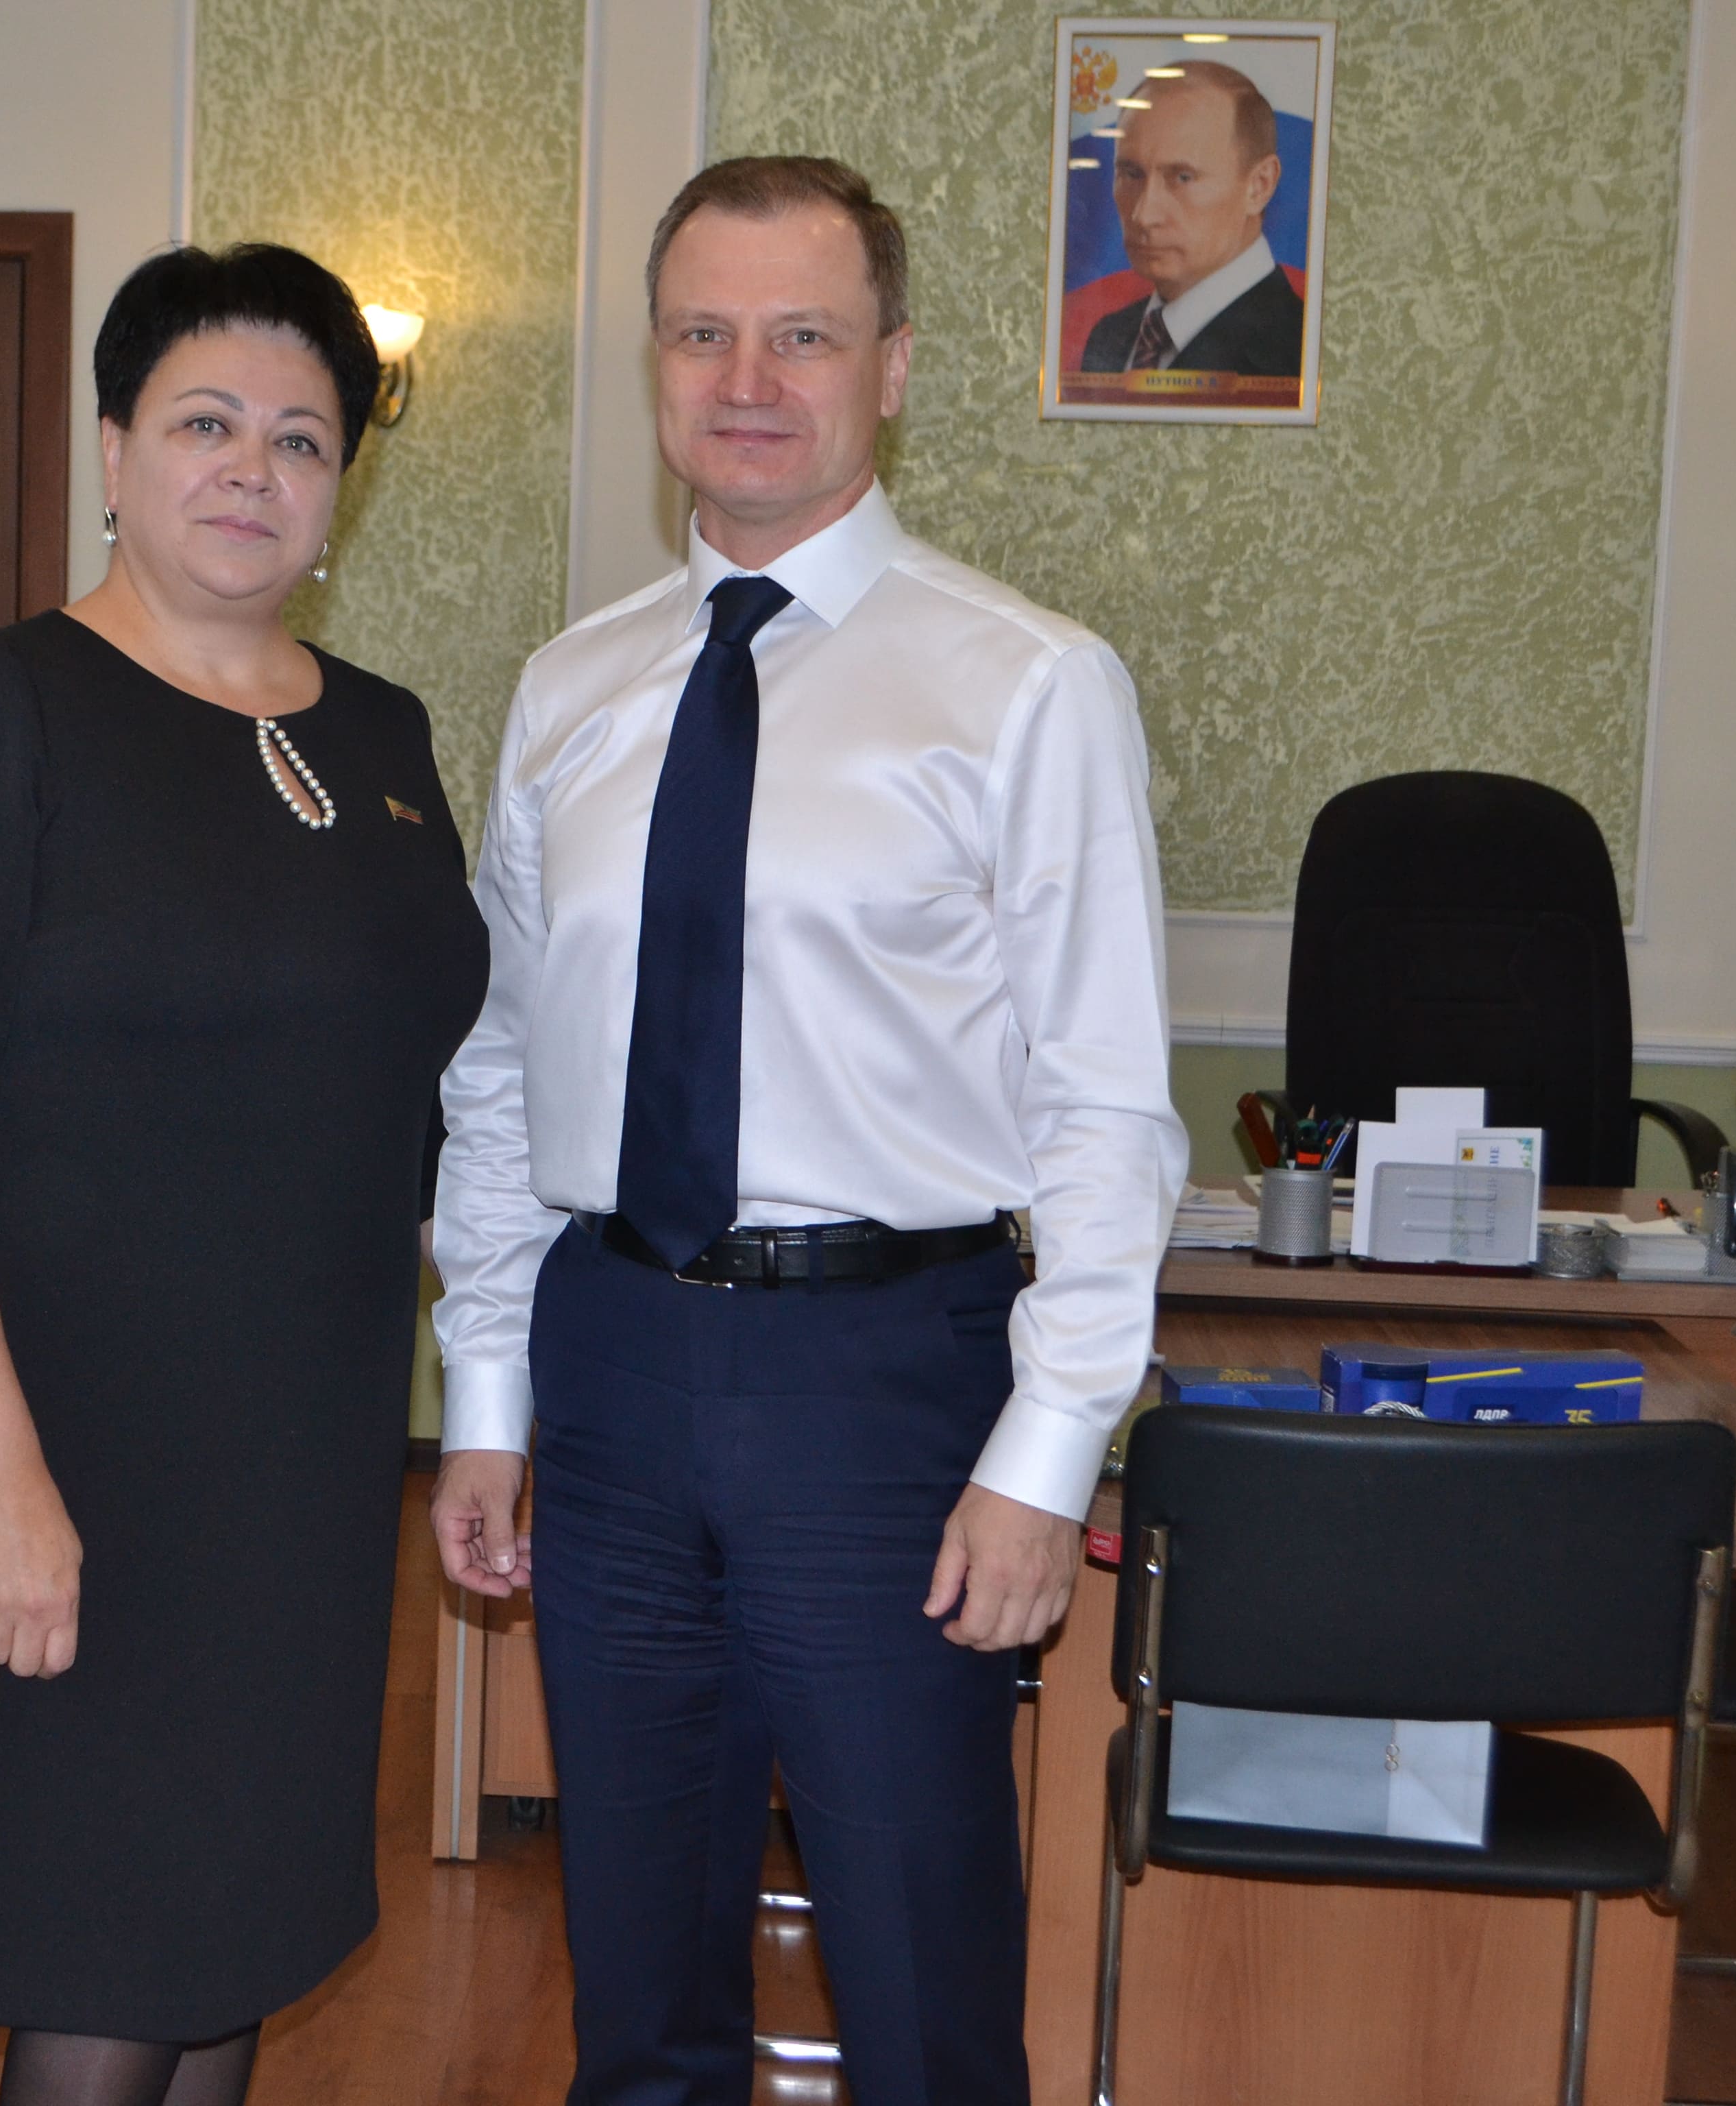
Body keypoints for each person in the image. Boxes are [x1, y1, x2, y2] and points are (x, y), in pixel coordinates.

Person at [430, 157, 1184, 2106]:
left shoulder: (1028, 684)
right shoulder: (571, 687)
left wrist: (1048, 1450)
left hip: (884, 1384)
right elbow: (503, 1063)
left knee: (920, 1982)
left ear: (893, 366)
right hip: (611, 1366)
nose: (746, 379)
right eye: (703, 332)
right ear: (655, 364)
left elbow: (1105, 1103)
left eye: (803, 335)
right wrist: (491, 1395)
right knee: (635, 1977)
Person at [0, 243, 489, 2106]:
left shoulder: (383, 737)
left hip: (303, 1476)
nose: (252, 468)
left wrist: (498, 1399)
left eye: (301, 437)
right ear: (113, 452)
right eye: (204, 423)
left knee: (227, 1943)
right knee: (106, 1954)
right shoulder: (4, 708)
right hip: (77, 1457)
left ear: (341, 486)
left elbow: (435, 1101)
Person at [1078, 62, 1303, 377]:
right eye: (1131, 174)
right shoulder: (1109, 337)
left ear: (1260, 186)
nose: (1143, 215)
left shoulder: (1299, 352)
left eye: (1183, 178)